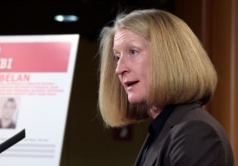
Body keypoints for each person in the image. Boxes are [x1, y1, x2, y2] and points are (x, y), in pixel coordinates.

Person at [98, 9, 234, 166]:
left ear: (167, 58)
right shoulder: (163, 130)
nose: (119, 69)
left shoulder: (195, 133)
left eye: (133, 52)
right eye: (117, 57)